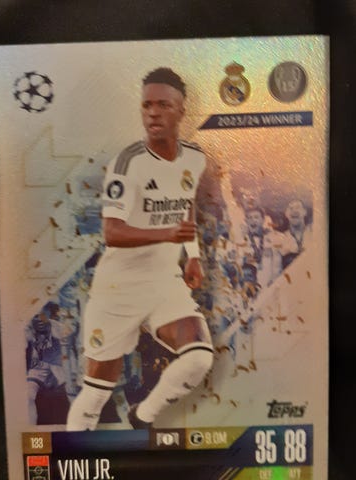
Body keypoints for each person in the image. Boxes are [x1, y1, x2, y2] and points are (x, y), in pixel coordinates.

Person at [66, 67, 213, 430]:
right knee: (96, 394)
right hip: (118, 288)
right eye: (147, 105)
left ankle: (142, 417)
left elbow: (184, 203)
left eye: (163, 105)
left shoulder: (195, 157)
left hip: (164, 281)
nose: (153, 113)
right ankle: (72, 454)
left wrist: (193, 255)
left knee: (199, 359)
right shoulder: (127, 162)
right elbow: (112, 232)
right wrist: (167, 234)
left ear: (182, 110)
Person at [280, 199, 312, 269]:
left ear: (305, 212)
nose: (294, 211)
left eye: (298, 207)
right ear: (286, 214)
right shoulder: (280, 239)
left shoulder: (314, 233)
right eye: (291, 208)